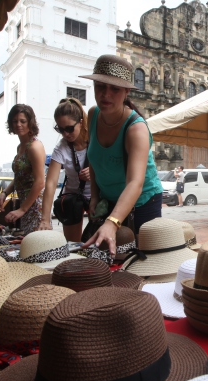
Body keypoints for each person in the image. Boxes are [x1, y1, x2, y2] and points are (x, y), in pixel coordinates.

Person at [81, 54, 163, 255]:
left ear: (126, 91)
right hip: (110, 202)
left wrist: (112, 221)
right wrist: (95, 196)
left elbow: (135, 183)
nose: (105, 94)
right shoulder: (92, 115)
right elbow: (94, 159)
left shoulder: (136, 130)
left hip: (143, 203)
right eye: (100, 86)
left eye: (115, 89)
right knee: (106, 258)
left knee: (140, 260)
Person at [39, 97, 90, 241]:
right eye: (60, 129)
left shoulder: (95, 139)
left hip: (96, 196)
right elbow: (51, 183)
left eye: (69, 128)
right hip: (72, 198)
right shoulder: (61, 147)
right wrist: (45, 219)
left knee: (96, 243)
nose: (65, 134)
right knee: (73, 244)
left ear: (80, 122)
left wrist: (95, 172)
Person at [0, 104, 46, 235]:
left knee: (36, 244)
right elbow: (20, 176)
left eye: (23, 121)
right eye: (15, 121)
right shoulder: (20, 147)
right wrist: (5, 193)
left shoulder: (35, 146)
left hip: (35, 205)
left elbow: (40, 182)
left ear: (30, 123)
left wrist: (22, 209)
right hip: (25, 204)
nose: (18, 124)